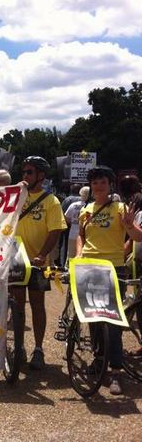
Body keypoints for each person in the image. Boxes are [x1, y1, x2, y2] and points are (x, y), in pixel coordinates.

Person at [76, 166, 142, 395]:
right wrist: (78, 254)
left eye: (102, 182)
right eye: (95, 183)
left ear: (110, 185)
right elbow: (80, 236)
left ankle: (116, 371)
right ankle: (99, 359)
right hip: (89, 268)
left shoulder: (121, 208)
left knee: (113, 323)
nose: (98, 186)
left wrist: (129, 225)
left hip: (114, 268)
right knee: (93, 319)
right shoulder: (85, 210)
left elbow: (137, 237)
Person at [12, 155, 67, 370]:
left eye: (29, 172)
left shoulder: (51, 201)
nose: (24, 176)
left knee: (37, 304)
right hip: (17, 259)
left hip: (38, 262)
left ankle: (38, 348)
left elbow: (55, 231)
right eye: (23, 172)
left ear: (41, 176)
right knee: (17, 305)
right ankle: (19, 346)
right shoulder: (18, 195)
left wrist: (43, 255)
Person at [64, 186, 89, 265]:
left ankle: (69, 273)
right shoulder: (91, 206)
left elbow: (66, 218)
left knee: (71, 256)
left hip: (72, 234)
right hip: (86, 236)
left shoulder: (73, 205)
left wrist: (74, 222)